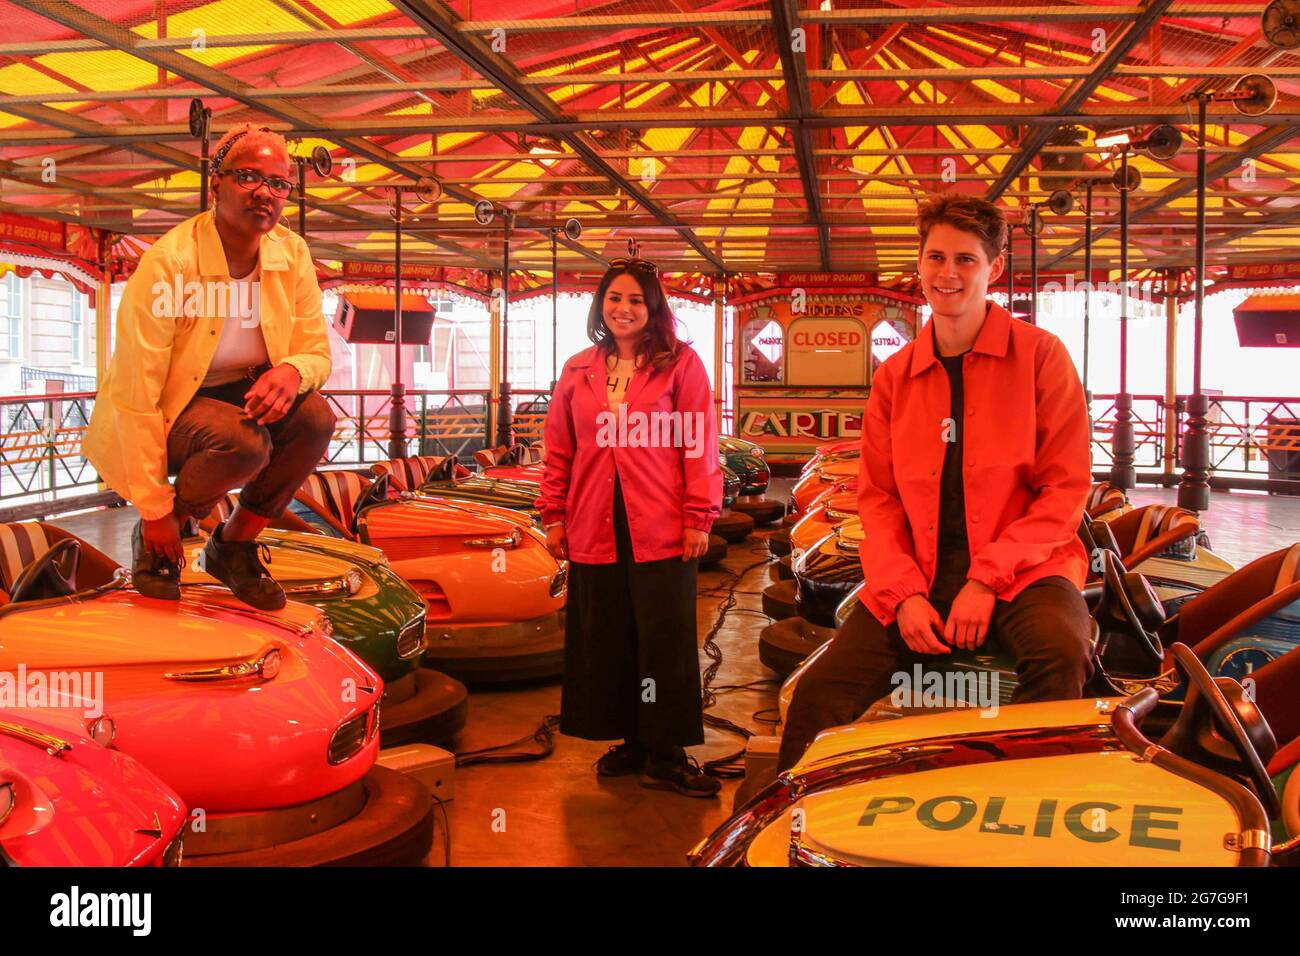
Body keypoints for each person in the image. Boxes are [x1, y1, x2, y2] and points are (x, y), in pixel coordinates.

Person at [777, 192, 1094, 771]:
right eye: (936, 258)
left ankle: (1027, 810)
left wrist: (987, 581)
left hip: (1027, 572)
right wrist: (903, 596)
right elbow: (878, 500)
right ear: (919, 265)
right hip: (918, 571)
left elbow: (1065, 488)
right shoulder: (897, 375)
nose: (948, 274)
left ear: (993, 268)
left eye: (966, 260)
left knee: (1062, 654)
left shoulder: (1041, 356)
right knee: (819, 696)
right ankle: (779, 841)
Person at [84, 124, 335, 610]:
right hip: (169, 412)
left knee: (314, 419)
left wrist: (290, 372)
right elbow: (137, 393)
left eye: (279, 183)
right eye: (249, 177)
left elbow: (315, 350)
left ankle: (233, 545)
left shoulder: (292, 252)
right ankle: (163, 535)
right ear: (215, 184)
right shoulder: (169, 263)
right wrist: (155, 509)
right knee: (244, 443)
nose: (266, 193)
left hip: (238, 396)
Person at [538, 257, 723, 797]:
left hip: (662, 523)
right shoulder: (578, 370)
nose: (623, 309)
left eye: (636, 300)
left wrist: (699, 516)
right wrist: (554, 514)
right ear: (600, 305)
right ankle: (628, 740)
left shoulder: (681, 364)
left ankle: (666, 750)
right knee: (608, 635)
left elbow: (699, 443)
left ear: (654, 308)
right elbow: (558, 448)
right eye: (615, 298)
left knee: (662, 637)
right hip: (594, 520)